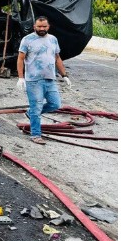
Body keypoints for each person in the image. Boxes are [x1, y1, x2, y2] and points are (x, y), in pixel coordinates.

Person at [16, 16, 72, 145]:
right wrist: (20, 77)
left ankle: (30, 113)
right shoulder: (27, 40)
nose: (42, 29)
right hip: (33, 80)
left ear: (48, 26)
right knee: (36, 108)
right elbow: (20, 59)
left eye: (44, 26)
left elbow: (57, 58)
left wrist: (64, 75)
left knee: (55, 104)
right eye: (39, 26)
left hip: (50, 79)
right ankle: (35, 135)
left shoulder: (53, 39)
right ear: (34, 26)